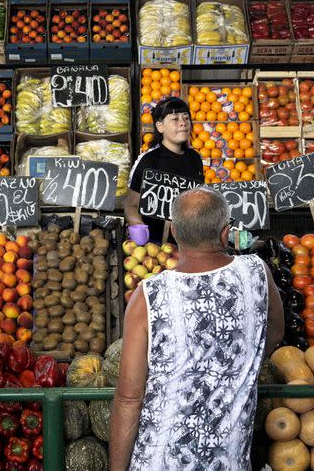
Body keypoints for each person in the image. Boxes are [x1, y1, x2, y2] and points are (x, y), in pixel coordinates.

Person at [109, 187, 284, 470]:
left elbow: (129, 398)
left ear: (175, 233)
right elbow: (274, 333)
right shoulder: (257, 273)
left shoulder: (148, 296)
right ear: (226, 232)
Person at [124, 97, 204, 243]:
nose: (183, 123)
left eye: (186, 118)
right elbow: (131, 205)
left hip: (190, 243)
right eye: (175, 119)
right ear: (160, 127)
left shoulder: (195, 158)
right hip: (156, 244)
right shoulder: (149, 160)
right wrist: (140, 228)